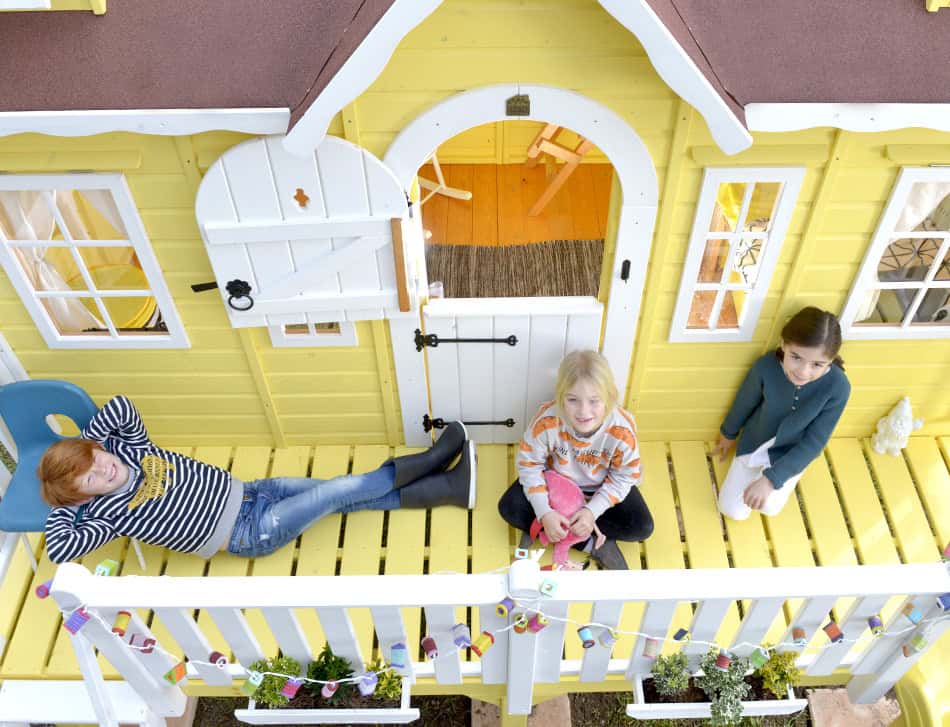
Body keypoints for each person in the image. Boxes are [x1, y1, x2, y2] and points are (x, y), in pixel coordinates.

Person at [40, 395, 475, 564]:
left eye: (95, 460)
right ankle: (432, 460)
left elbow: (121, 406)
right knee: (341, 489)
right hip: (249, 532)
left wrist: (88, 445)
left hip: (253, 492)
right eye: (93, 480)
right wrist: (68, 501)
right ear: (87, 498)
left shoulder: (130, 450)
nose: (104, 471)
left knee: (344, 500)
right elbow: (60, 548)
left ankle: (449, 489)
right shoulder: (110, 513)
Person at [497, 350, 653, 570]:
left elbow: (625, 476)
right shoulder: (547, 421)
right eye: (572, 400)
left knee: (642, 527)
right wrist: (545, 513)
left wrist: (592, 512)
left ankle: (583, 531)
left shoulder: (621, 431)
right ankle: (589, 542)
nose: (583, 411)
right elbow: (529, 466)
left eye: (594, 401)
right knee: (508, 507)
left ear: (609, 396)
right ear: (560, 397)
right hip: (557, 491)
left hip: (600, 490)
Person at [713, 306, 851, 520]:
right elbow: (744, 402)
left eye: (817, 364)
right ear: (783, 345)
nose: (803, 372)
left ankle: (785, 475)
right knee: (731, 510)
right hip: (756, 442)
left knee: (768, 507)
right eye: (796, 357)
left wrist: (771, 480)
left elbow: (814, 442)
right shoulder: (766, 367)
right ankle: (761, 478)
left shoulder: (838, 387)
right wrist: (728, 433)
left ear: (831, 361)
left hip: (791, 453)